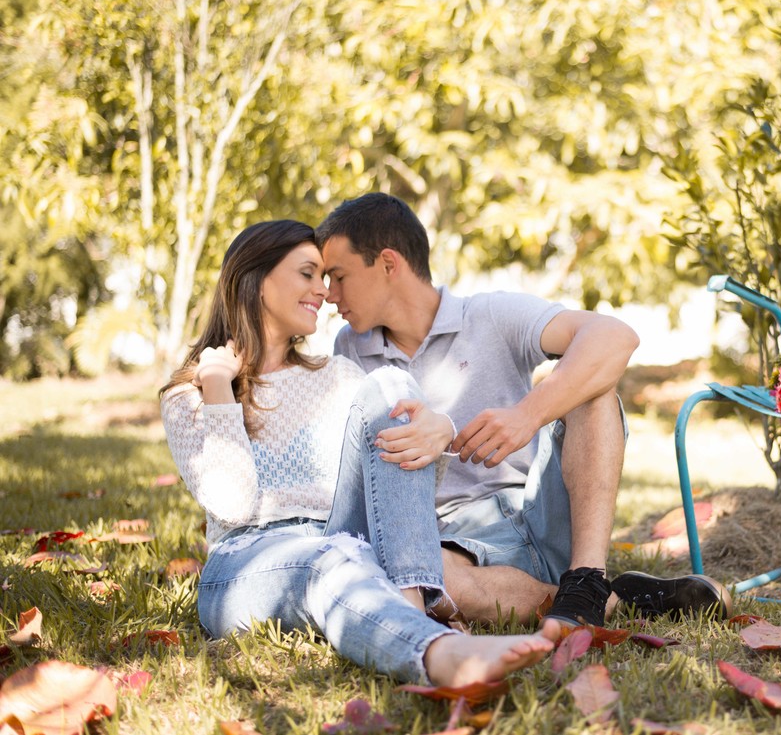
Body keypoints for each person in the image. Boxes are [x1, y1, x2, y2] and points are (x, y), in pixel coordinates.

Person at [160, 220, 557, 685]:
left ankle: (411, 606)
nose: (324, 291)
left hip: (344, 540)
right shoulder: (190, 393)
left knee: (391, 383)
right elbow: (232, 504)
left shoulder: (338, 375)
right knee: (329, 562)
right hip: (247, 561)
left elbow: (399, 495)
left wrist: (437, 434)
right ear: (257, 281)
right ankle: (437, 652)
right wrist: (218, 389)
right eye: (307, 274)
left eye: (326, 277)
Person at [315, 194, 731, 629]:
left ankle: (587, 574)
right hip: (459, 544)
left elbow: (615, 336)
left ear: (388, 263)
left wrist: (527, 415)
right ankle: (609, 602)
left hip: (543, 513)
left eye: (338, 276)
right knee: (429, 580)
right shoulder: (350, 349)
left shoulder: (490, 314)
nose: (329, 295)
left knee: (593, 388)